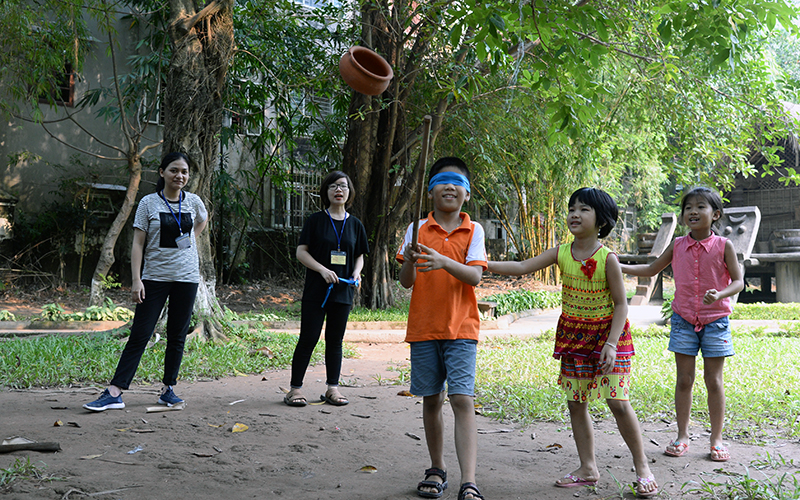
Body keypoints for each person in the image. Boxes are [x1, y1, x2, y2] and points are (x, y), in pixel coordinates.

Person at [487, 187, 658, 498]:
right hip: (575, 337)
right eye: (572, 209)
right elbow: (522, 267)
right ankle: (588, 468)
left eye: (584, 210)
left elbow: (621, 305)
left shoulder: (608, 259)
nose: (575, 215)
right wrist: (483, 264)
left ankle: (643, 467)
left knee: (618, 402)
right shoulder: (560, 252)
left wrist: (610, 344)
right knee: (576, 403)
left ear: (601, 220)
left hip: (610, 338)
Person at [620, 186, 743, 462]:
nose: (693, 212)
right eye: (688, 208)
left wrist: (720, 294)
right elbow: (651, 269)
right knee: (684, 380)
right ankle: (682, 436)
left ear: (716, 215)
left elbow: (738, 282)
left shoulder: (724, 245)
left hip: (716, 321)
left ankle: (716, 439)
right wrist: (617, 265)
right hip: (683, 321)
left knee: (714, 381)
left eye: (700, 207)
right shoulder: (677, 245)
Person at [83, 152, 208, 412]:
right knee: (140, 334)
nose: (180, 176)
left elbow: (203, 220)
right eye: (174, 170)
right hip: (154, 278)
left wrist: (190, 239)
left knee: (177, 336)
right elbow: (138, 244)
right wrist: (136, 280)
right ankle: (115, 392)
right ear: (162, 172)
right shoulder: (148, 203)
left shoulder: (193, 202)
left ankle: (168, 390)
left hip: (186, 278)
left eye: (184, 172)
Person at [397, 157, 488, 500]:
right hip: (424, 327)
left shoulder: (474, 229)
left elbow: (475, 276)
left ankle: (469, 481)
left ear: (467, 193)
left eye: (457, 182)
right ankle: (437, 468)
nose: (450, 187)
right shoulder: (416, 229)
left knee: (462, 398)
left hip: (462, 327)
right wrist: (409, 260)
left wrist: (443, 261)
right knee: (432, 398)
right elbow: (406, 282)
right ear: (430, 190)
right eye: (442, 181)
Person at [283, 171, 369, 407]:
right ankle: (295, 389)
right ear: (326, 192)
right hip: (316, 291)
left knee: (335, 340)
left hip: (343, 291)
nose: (338, 190)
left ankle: (332, 388)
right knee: (308, 338)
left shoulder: (355, 224)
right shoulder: (315, 221)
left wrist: (357, 272)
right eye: (333, 186)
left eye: (343, 186)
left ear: (349, 192)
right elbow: (301, 252)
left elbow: (359, 255)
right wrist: (322, 270)